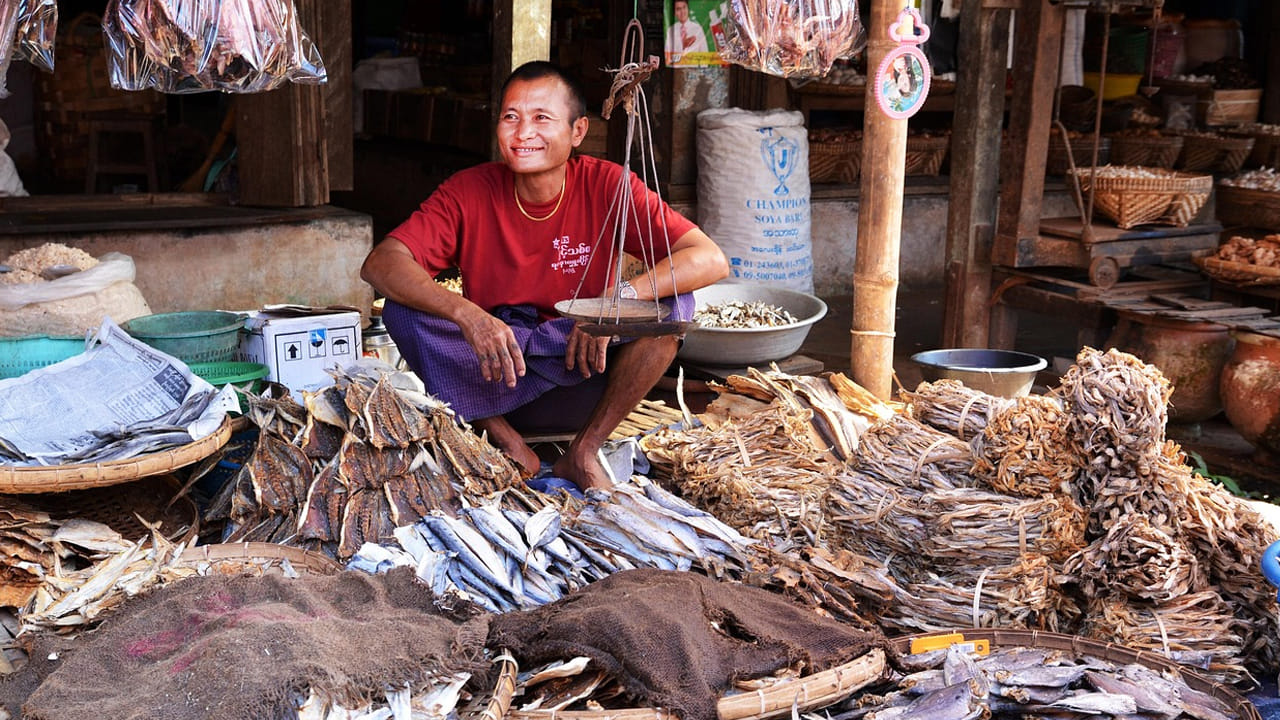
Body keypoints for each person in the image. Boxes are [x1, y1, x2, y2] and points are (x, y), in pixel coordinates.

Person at [360, 61, 729, 491]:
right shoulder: (469, 190)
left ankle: (585, 451)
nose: (522, 134)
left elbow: (708, 258)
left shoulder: (608, 184)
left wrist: (609, 308)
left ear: (577, 132)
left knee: (673, 305)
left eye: (541, 119)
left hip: (583, 367)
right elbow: (381, 263)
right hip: (494, 370)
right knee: (403, 311)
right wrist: (468, 315)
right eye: (510, 117)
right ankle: (506, 439)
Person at [665, 0, 709, 64]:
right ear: (674, 12)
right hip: (677, 69)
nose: (682, 12)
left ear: (688, 9)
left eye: (684, 7)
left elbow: (705, 53)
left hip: (694, 70)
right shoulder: (671, 30)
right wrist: (682, 46)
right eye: (678, 9)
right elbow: (667, 55)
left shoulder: (697, 28)